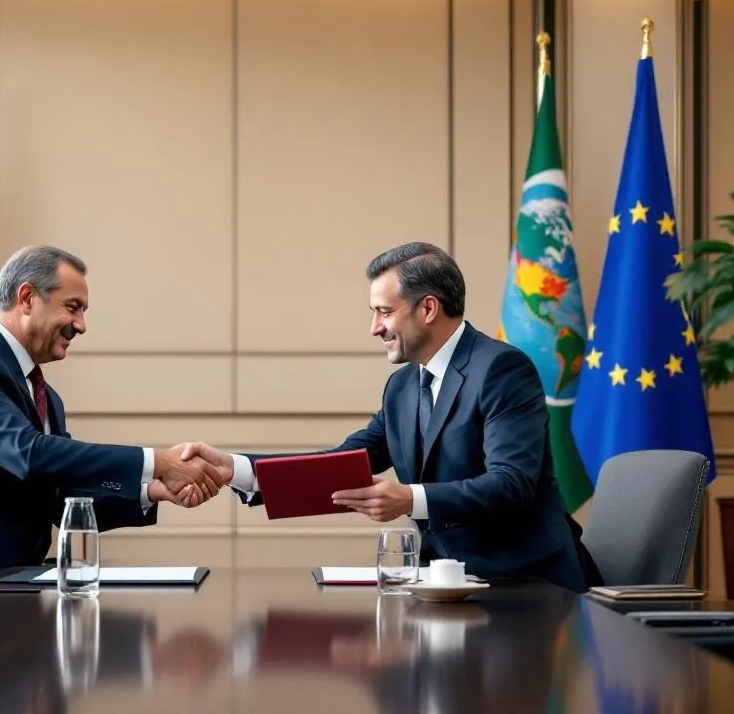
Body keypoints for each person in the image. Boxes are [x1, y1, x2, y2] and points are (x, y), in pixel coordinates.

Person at [181, 242, 597, 592]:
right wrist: (236, 469)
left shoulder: (502, 369)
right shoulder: (402, 388)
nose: (374, 328)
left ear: (428, 308)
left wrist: (409, 498)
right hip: (451, 587)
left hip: (529, 589)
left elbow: (511, 484)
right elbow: (343, 465)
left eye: (383, 311)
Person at [0, 245, 223, 587]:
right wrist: (156, 461)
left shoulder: (46, 397)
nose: (81, 325)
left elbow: (64, 498)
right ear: (26, 298)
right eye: (73, 307)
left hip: (11, 584)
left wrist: (152, 490)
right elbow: (26, 453)